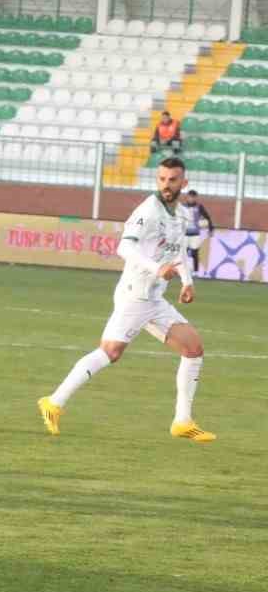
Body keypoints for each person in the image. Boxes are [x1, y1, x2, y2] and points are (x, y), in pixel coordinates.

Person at [36, 157, 215, 443]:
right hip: (134, 294)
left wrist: (187, 282)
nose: (166, 185)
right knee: (110, 352)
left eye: (172, 180)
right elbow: (124, 247)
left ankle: (182, 421)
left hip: (154, 298)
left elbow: (177, 251)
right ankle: (53, 402)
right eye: (162, 179)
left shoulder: (181, 213)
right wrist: (158, 269)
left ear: (184, 183)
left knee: (193, 348)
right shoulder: (148, 210)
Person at [180, 188, 213, 276]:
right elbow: (177, 218)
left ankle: (195, 271)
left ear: (196, 198)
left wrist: (211, 229)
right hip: (185, 234)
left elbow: (207, 217)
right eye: (190, 197)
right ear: (187, 198)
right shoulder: (182, 207)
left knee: (195, 253)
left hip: (195, 234)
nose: (191, 199)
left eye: (193, 197)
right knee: (183, 253)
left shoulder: (199, 207)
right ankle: (183, 270)